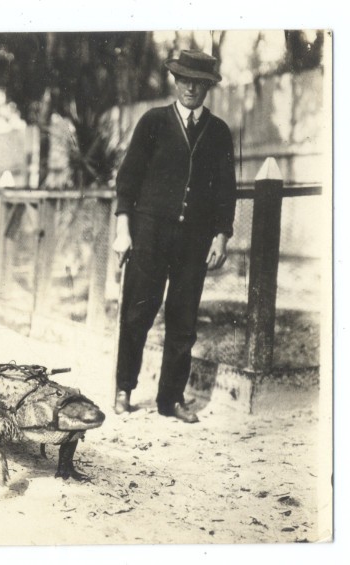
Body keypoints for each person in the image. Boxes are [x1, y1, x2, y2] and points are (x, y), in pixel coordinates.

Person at [112, 51, 237, 423]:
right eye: (184, 80)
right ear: (175, 81)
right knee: (137, 313)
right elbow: (128, 180)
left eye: (198, 83)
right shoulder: (153, 122)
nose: (190, 89)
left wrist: (221, 235)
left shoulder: (218, 132)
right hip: (149, 233)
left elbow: (225, 190)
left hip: (193, 241)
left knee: (183, 322)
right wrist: (123, 230)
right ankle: (124, 388)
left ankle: (171, 399)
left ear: (208, 87)